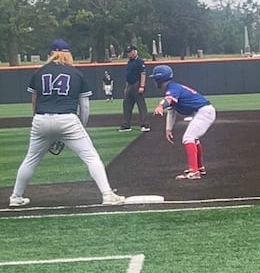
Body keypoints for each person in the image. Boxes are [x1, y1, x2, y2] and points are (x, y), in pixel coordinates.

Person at [8, 39, 125, 207]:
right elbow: (84, 106)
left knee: (30, 159)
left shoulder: (40, 72)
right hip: (67, 119)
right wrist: (80, 127)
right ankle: (107, 195)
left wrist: (38, 121)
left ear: (51, 54)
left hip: (41, 119)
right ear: (68, 54)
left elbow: (34, 101)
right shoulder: (76, 74)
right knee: (91, 157)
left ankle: (16, 197)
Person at [150, 65, 216, 180]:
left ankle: (194, 171)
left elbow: (168, 101)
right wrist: (168, 129)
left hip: (204, 111)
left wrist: (160, 105)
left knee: (188, 138)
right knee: (193, 138)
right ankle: (199, 168)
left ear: (159, 79)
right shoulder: (172, 88)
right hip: (204, 111)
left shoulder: (173, 88)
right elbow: (171, 111)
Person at [119, 45, 151, 132]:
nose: (128, 54)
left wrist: (142, 86)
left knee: (141, 105)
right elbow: (128, 75)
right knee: (126, 105)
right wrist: (126, 87)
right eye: (128, 52)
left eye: (129, 52)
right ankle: (126, 125)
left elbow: (143, 74)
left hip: (137, 84)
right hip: (129, 84)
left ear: (134, 51)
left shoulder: (139, 61)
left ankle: (145, 125)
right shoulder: (129, 62)